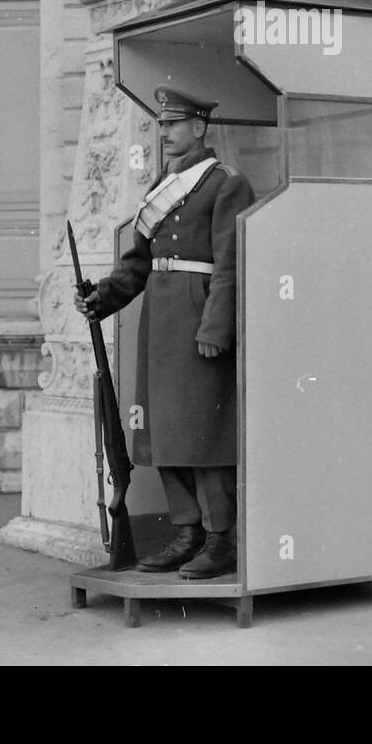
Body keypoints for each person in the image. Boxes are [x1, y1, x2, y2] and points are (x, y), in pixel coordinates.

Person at [76, 85, 254, 579]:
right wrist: (103, 297)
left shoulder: (225, 183)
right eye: (160, 125)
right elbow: (137, 264)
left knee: (206, 433)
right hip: (160, 322)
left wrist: (217, 325)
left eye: (172, 124)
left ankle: (221, 540)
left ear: (199, 127)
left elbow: (231, 264)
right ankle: (187, 533)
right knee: (166, 432)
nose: (164, 133)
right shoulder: (163, 185)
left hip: (199, 321)